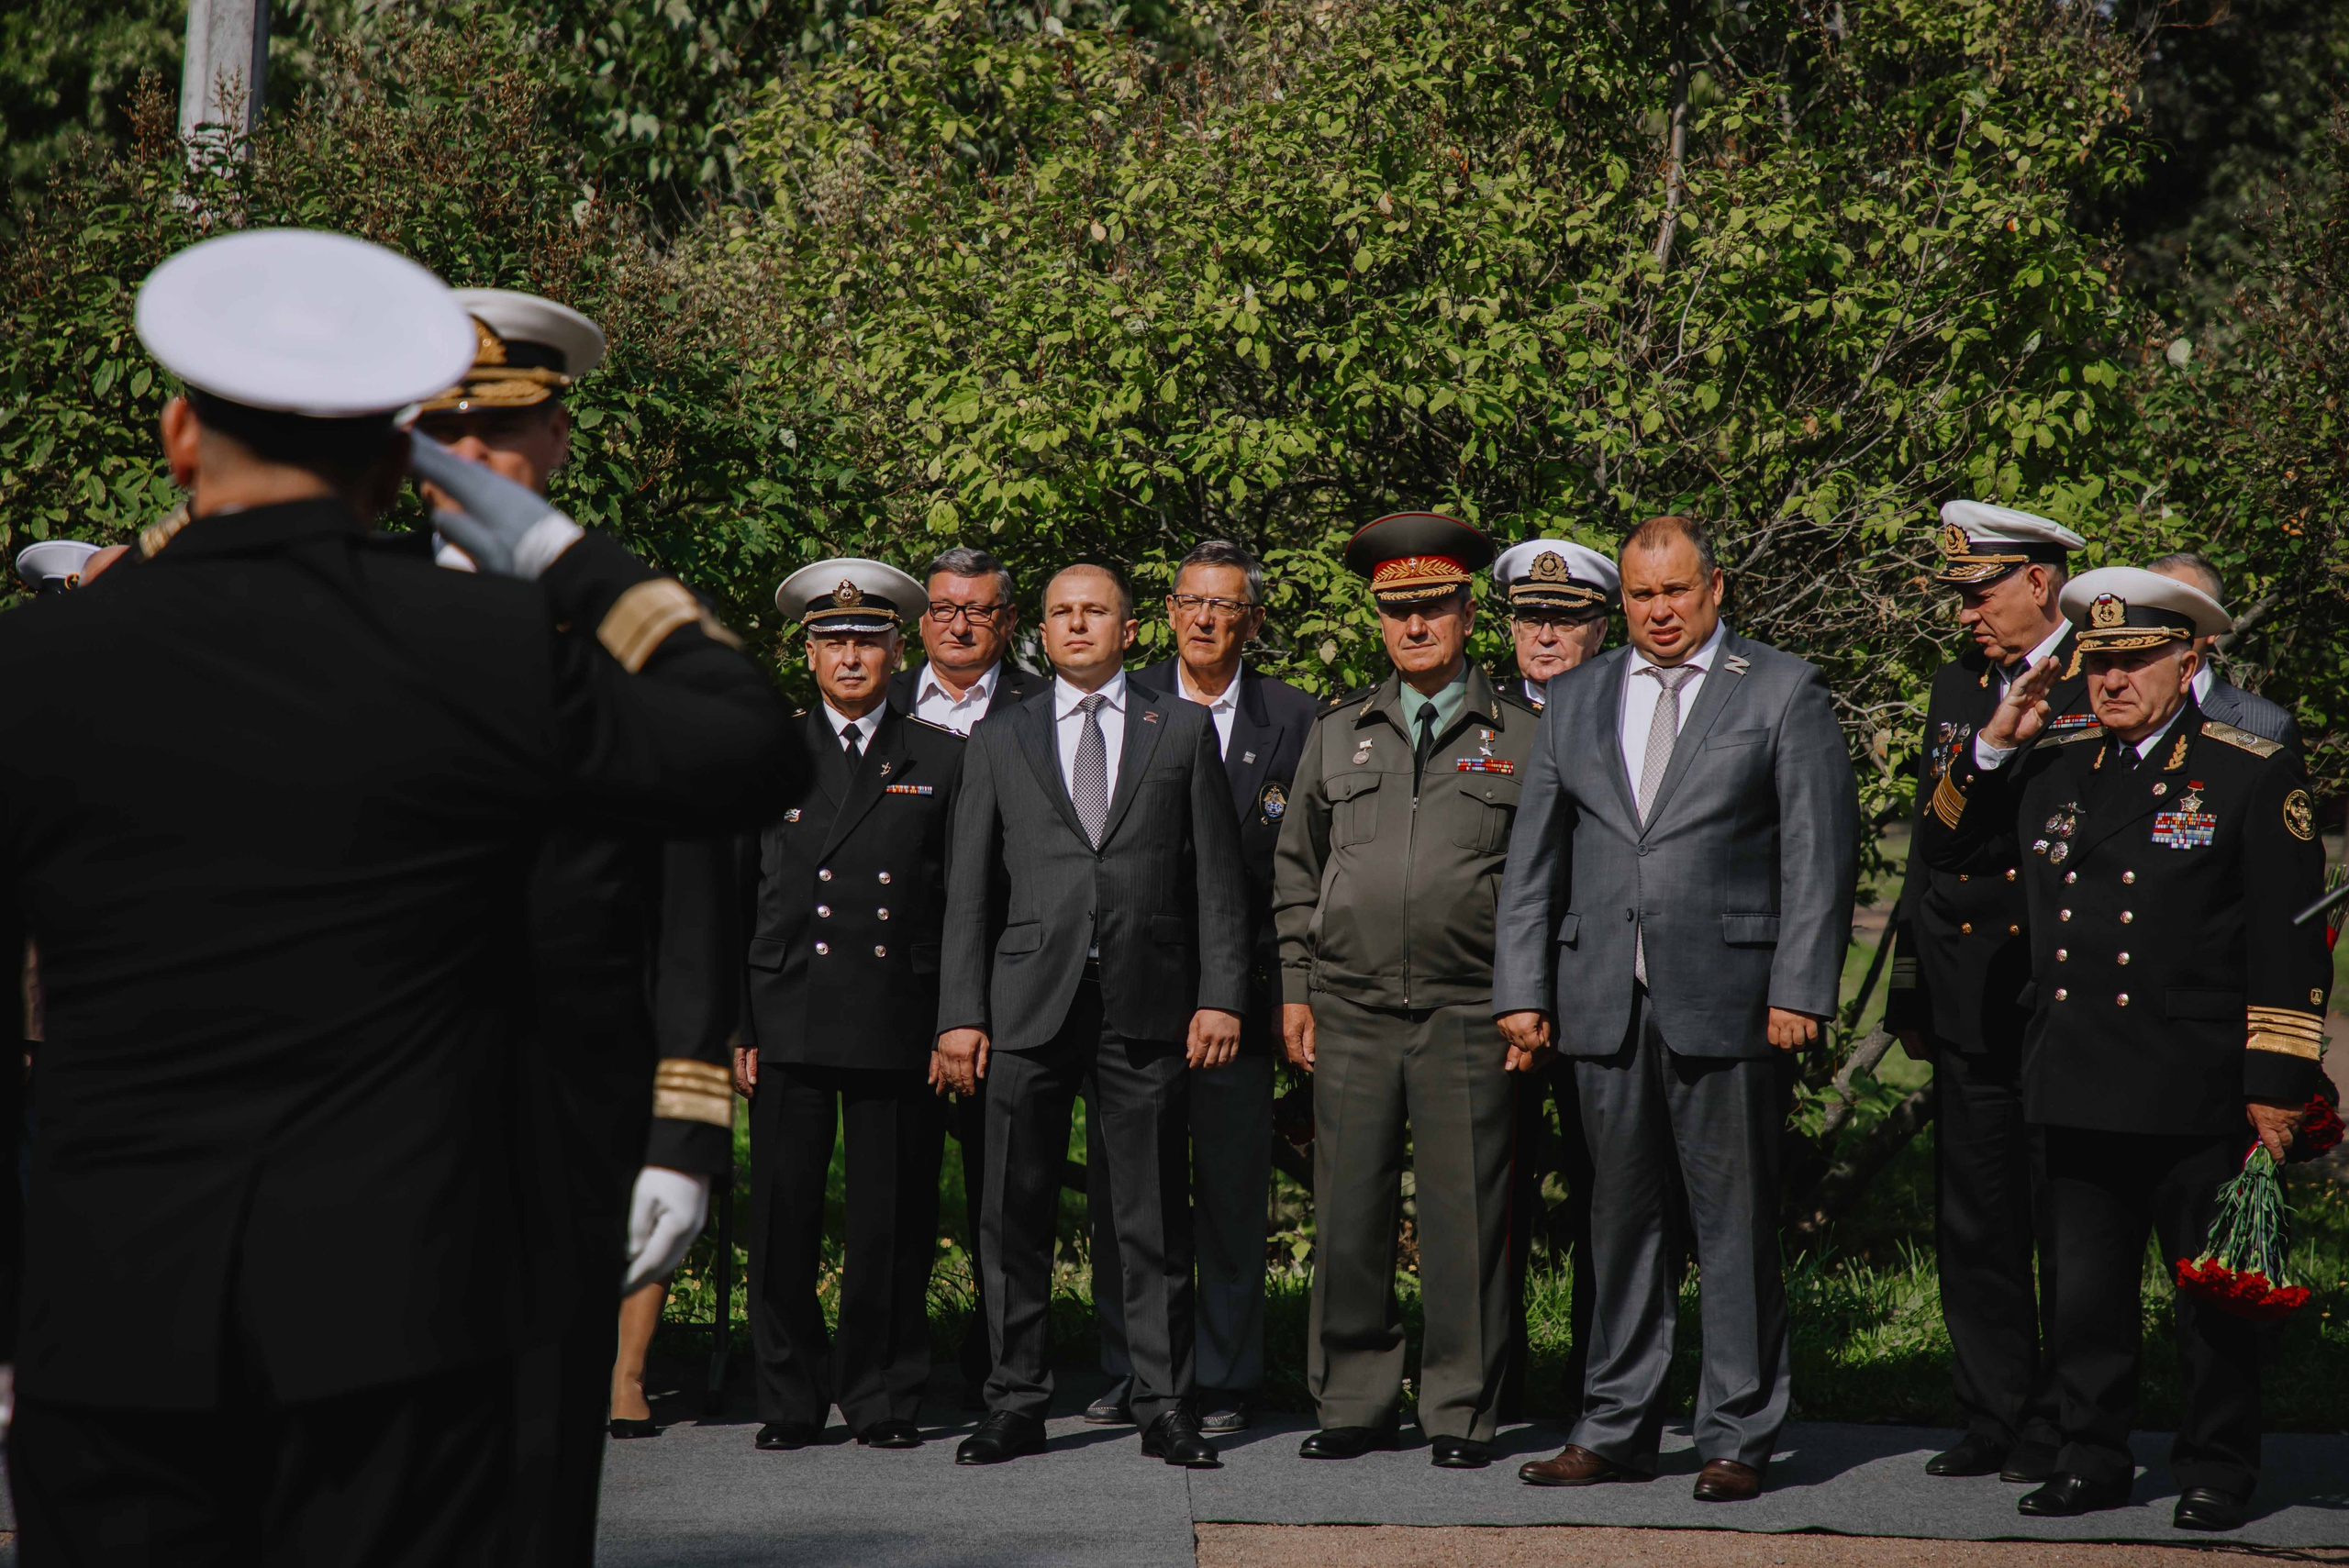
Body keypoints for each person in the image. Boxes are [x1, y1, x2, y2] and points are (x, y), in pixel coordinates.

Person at [0, 228, 795, 1563]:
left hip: (111, 1305)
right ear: (399, 457)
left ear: (178, 432)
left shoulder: (44, 664)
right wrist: (568, 555)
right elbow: (745, 742)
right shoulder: (487, 651)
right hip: (395, 1313)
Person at [408, 288, 738, 1567]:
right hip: (370, 1126)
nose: (483, 460)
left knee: (541, 1463)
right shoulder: (338, 627)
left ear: (557, 442)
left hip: (559, 1123)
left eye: (513, 429)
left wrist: (682, 1127)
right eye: (449, 430)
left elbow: (690, 904)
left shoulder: (634, 646)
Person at [1918, 565, 2329, 1531]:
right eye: (2099, 661)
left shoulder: (2244, 767)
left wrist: (2277, 1080)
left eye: (2136, 657)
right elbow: (1946, 846)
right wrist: (1991, 741)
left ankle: (2217, 1461)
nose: (2113, 679)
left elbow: (2289, 935)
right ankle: (2089, 1451)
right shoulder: (2054, 763)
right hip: (2077, 1067)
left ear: (2188, 658)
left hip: (2197, 1077)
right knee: (2086, 1294)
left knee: (2209, 1295)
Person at [1496, 514, 1857, 1503]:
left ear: (1715, 588)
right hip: (1600, 997)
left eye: (1676, 591)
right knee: (1618, 1220)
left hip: (1733, 997)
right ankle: (1614, 1424)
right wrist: (1522, 988)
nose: (1658, 611)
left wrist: (1800, 984)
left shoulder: (1781, 689)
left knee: (1732, 1222)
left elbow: (1816, 853)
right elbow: (1535, 859)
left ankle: (1736, 1431)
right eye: (1641, 595)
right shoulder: (1577, 694)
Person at [935, 561, 1249, 1470]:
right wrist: (959, 1011)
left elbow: (1217, 883)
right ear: (1040, 629)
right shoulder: (1000, 736)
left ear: (1129, 627)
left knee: (1150, 1216)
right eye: (1061, 613)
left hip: (1145, 1003)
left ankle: (1163, 1403)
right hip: (1026, 1001)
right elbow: (968, 893)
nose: (1077, 625)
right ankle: (1016, 1398)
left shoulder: (1181, 729)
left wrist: (1221, 992)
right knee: (1010, 1208)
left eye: (1094, 612)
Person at [1270, 511, 1544, 1471]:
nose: (1414, 625)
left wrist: (1531, 994)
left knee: (1464, 1211)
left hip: (1472, 1006)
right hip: (1346, 1006)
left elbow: (1545, 880)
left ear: (1468, 613)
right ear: (1378, 620)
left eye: (1431, 606)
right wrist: (1294, 987)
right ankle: (1352, 1396)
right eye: (1397, 610)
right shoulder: (1337, 730)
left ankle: (1460, 1406)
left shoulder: (1523, 734)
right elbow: (1296, 870)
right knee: (1347, 1205)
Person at [1085, 539, 1316, 1435]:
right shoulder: (1122, 703)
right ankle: (1132, 1364)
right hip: (1130, 991)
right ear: (1170, 612)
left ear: (1252, 619)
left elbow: (1303, 872)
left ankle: (1222, 1372)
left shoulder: (1296, 719)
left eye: (1226, 604)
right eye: (1191, 601)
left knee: (1227, 1190)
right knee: (1126, 1191)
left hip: (1243, 991)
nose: (1207, 618)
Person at [1881, 500, 2088, 1485]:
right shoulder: (1958, 686)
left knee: (2065, 1214)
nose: (1965, 612)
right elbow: (1935, 840)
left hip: (2063, 992)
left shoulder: (2105, 673)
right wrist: (1909, 993)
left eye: (1980, 591)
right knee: (1976, 1213)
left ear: (2037, 583)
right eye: (1960, 594)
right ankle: (1991, 1408)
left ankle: (2066, 1416)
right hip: (1970, 986)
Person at [740, 558, 966, 1452]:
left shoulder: (940, 756)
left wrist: (958, 1014)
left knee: (893, 1218)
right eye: (832, 640)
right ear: (806, 653)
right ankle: (789, 1396)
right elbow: (731, 896)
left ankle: (881, 1394)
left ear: (893, 649)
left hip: (895, 1012)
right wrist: (734, 1027)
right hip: (788, 1004)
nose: (848, 655)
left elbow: (961, 902)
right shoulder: (764, 753)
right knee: (784, 1215)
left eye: (866, 640)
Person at [885, 543, 1043, 1401]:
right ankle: (897, 1365)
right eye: (943, 608)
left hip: (1007, 982)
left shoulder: (1038, 708)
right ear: (921, 623)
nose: (958, 623)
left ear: (1007, 621)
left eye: (977, 610)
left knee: (1004, 1188)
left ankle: (1003, 1363)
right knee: (898, 1184)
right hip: (894, 985)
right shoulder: (880, 699)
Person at [1486, 536, 1619, 1423]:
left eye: (1565, 617)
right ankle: (1486, 1389)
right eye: (1531, 617)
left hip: (1601, 988)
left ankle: (1596, 1390)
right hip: (1498, 1000)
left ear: (1600, 625)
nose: (1545, 633)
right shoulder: (1478, 716)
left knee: (1604, 1202)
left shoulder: (1624, 709)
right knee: (1492, 1197)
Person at [2143, 552, 2300, 752]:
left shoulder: (2265, 727)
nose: (2158, 626)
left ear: (2214, 627)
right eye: (2149, 610)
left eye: (2178, 614)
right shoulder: (2101, 708)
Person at [1490, 538, 1616, 708]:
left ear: (1599, 633)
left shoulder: (1623, 715)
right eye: (1531, 622)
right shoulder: (1488, 717)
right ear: (1514, 630)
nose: (1545, 637)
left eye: (1564, 623)